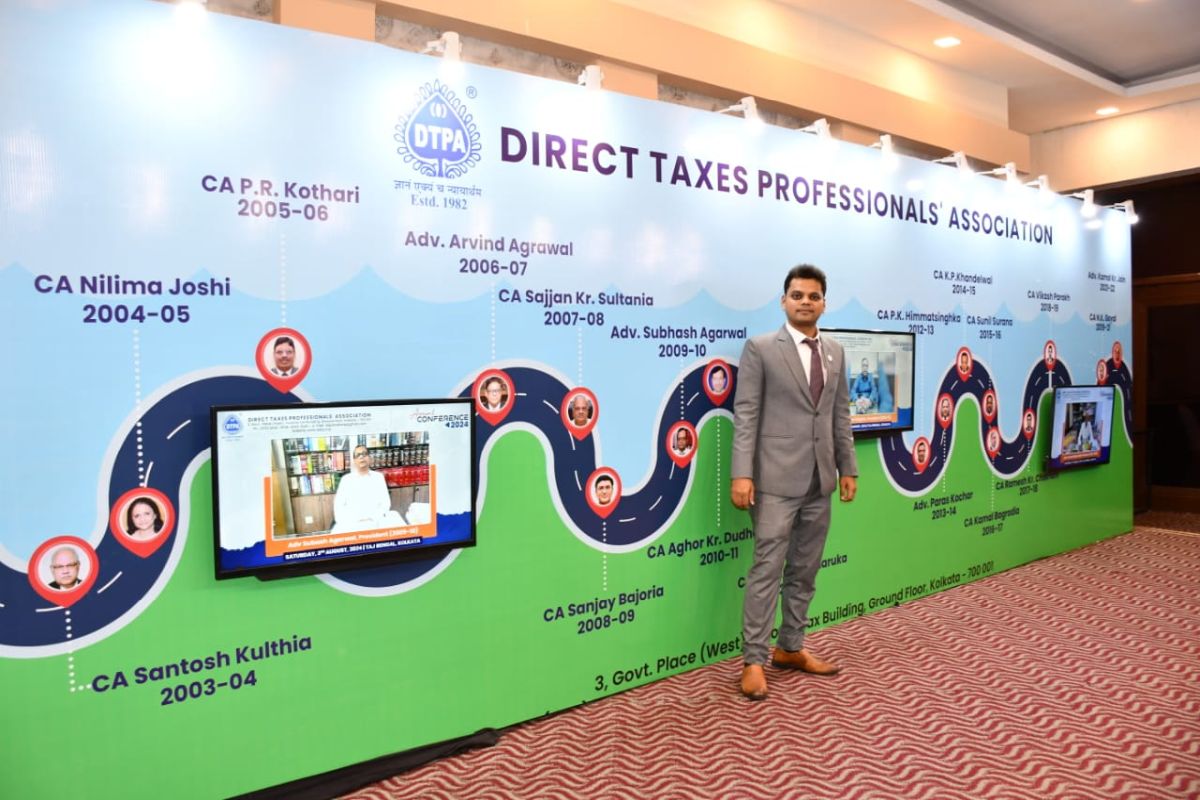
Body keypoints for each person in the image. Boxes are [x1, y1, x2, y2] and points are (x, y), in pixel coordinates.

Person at [731, 264, 858, 701]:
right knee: (767, 570)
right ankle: (753, 660)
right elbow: (746, 414)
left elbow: (840, 415)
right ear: (783, 301)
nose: (806, 302)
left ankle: (790, 647)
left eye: (814, 296)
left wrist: (848, 468)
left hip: (820, 481)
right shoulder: (762, 348)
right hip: (773, 481)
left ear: (824, 303)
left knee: (805, 570)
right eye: (798, 295)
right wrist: (742, 473)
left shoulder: (835, 352)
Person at [332, 445, 400, 532]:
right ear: (354, 461)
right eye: (358, 455)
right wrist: (350, 522)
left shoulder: (378, 477)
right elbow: (338, 507)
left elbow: (386, 503)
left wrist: (374, 518)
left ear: (369, 458)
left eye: (364, 454)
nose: (361, 457)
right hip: (352, 525)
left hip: (375, 523)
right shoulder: (346, 480)